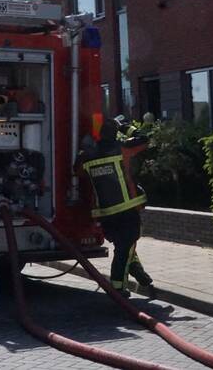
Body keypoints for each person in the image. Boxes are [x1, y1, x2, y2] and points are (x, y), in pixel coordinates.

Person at [78, 116, 155, 297]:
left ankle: (139, 273)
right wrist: (125, 127)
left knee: (124, 245)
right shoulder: (122, 148)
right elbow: (145, 138)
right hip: (126, 209)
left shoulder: (86, 156)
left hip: (105, 214)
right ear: (115, 133)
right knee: (125, 246)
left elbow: (78, 172)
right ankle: (118, 287)